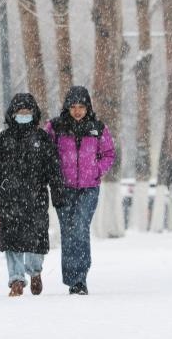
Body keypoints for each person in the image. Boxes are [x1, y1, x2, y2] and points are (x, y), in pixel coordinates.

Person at [0, 93, 65, 297]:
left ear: (34, 113)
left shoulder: (42, 139)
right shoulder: (2, 139)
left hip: (37, 198)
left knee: (37, 241)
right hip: (10, 198)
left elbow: (54, 170)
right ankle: (16, 280)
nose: (24, 115)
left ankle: (35, 272)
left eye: (27, 112)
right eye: (20, 112)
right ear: (13, 114)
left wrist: (57, 194)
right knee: (12, 241)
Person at [45, 85, 115, 295]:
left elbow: (109, 154)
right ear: (67, 107)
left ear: (88, 107)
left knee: (80, 229)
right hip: (63, 188)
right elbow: (46, 152)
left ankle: (80, 279)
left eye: (81, 107)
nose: (77, 111)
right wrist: (53, 174)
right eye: (73, 106)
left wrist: (96, 171)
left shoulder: (98, 128)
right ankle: (71, 276)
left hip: (89, 187)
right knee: (68, 231)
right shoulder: (55, 127)